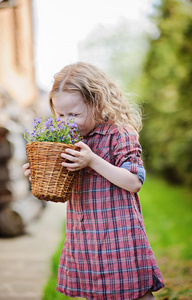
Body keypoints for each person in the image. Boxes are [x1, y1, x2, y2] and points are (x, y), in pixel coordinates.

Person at [23, 62, 164, 300]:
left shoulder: (119, 134)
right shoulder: (67, 141)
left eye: (75, 114)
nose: (67, 122)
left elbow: (134, 182)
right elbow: (63, 191)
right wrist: (41, 173)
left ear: (97, 103)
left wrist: (92, 160)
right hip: (85, 233)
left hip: (118, 233)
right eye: (61, 115)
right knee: (95, 293)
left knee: (134, 292)